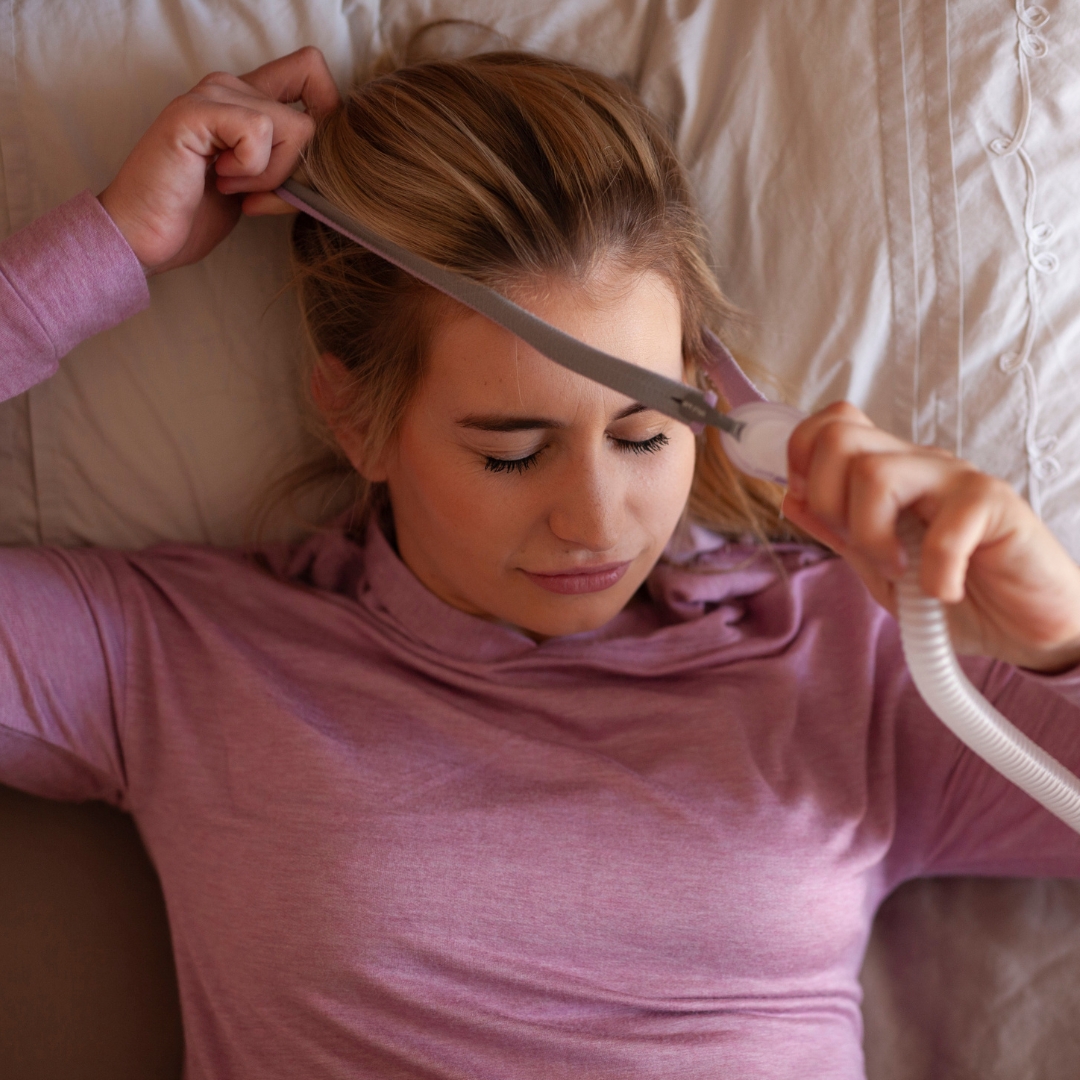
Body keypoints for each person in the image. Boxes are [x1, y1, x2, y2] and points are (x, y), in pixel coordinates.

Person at [2, 45, 1080, 1080]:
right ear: (357, 419)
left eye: (643, 435)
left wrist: (1057, 644)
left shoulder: (849, 660)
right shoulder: (181, 660)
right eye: (512, 452)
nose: (596, 521)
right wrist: (105, 248)